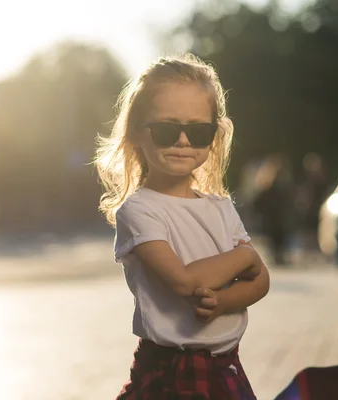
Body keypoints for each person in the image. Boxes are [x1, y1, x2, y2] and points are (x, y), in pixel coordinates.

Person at [94, 54, 269, 399]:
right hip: (170, 372)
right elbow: (185, 281)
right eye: (166, 129)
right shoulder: (139, 210)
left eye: (198, 131)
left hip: (225, 367)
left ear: (213, 137)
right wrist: (245, 256)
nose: (183, 141)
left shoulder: (219, 207)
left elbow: (261, 281)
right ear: (136, 133)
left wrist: (221, 301)